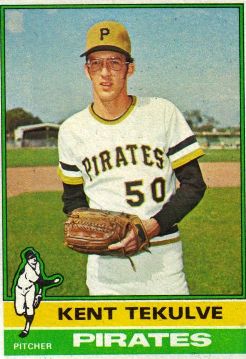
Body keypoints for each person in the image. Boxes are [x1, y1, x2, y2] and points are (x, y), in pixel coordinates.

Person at [58, 20, 206, 295]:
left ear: (130, 68)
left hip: (164, 268)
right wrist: (90, 228)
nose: (105, 73)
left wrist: (153, 226)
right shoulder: (71, 130)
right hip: (105, 273)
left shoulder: (162, 113)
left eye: (114, 62)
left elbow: (194, 184)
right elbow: (73, 200)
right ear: (86, 70)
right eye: (95, 63)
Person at [14, 249, 61, 337]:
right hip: (20, 290)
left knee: (30, 309)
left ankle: (26, 329)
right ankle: (34, 304)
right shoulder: (28, 270)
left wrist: (39, 292)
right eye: (31, 258)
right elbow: (41, 282)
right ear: (28, 260)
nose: (34, 259)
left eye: (34, 257)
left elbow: (40, 277)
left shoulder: (37, 264)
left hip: (30, 289)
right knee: (19, 311)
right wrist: (54, 281)